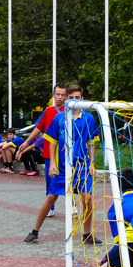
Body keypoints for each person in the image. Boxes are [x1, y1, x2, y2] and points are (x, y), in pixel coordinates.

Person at [24, 85, 101, 245]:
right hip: (62, 166)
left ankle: (87, 234)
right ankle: (35, 231)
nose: (74, 100)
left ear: (82, 99)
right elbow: (52, 141)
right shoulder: (59, 118)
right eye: (71, 97)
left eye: (77, 98)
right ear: (67, 99)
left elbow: (91, 142)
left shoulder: (88, 118)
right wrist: (52, 163)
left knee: (87, 198)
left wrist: (92, 163)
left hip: (82, 165)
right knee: (51, 196)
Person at [21, 84, 67, 218]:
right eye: (58, 94)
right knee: (49, 180)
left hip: (64, 153)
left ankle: (73, 206)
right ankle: (50, 208)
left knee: (68, 180)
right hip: (48, 152)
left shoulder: (68, 111)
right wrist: (26, 142)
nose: (60, 97)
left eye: (62, 95)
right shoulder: (48, 111)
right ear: (53, 95)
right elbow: (38, 128)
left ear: (66, 96)